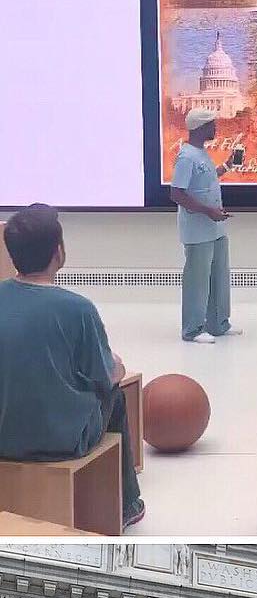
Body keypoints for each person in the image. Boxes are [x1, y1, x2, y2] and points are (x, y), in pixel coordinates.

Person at [0, 204, 144, 527]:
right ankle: (128, 504)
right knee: (116, 396)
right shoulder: (78, 309)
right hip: (60, 443)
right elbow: (104, 375)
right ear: (59, 252)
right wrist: (117, 366)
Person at [169, 108, 239, 344]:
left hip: (215, 228)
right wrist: (208, 211)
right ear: (200, 127)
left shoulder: (201, 154)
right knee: (197, 280)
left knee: (219, 276)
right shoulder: (186, 157)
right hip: (198, 230)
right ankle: (192, 329)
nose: (215, 128)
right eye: (211, 124)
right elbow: (177, 193)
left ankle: (218, 323)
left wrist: (227, 166)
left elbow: (205, 180)